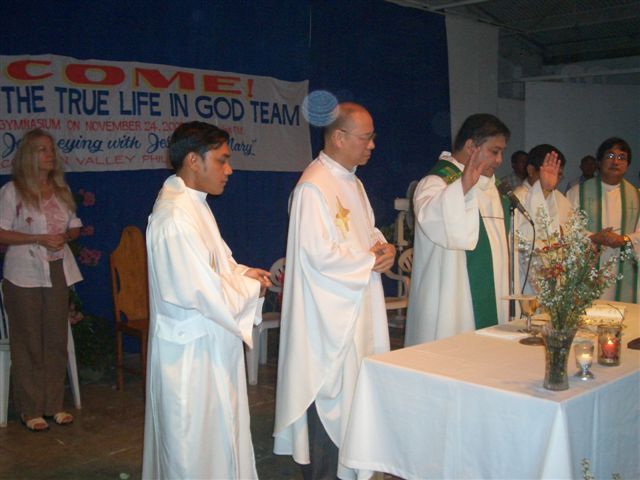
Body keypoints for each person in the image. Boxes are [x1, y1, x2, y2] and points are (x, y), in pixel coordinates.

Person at [142, 121, 271, 479]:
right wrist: (251, 290)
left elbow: (216, 264)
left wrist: (244, 273)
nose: (229, 170)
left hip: (209, 346)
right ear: (193, 162)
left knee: (219, 443)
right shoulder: (174, 218)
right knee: (193, 453)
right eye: (222, 160)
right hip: (190, 357)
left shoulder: (194, 204)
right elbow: (196, 291)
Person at [273, 102, 395, 480]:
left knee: (355, 398)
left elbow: (366, 232)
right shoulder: (313, 187)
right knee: (330, 403)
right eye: (366, 137)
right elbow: (317, 256)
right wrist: (367, 260)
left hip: (356, 310)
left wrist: (384, 247)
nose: (372, 144)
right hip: (329, 323)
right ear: (339, 137)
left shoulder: (352, 181)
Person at [404, 114, 515, 346]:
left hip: (492, 296)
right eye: (494, 151)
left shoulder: (491, 187)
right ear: (471, 147)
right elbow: (432, 219)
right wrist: (462, 188)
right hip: (451, 301)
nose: (500, 160)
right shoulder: (437, 182)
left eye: (502, 152)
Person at [0, 129, 82, 431]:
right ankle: (30, 408)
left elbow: (74, 226)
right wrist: (36, 238)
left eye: (51, 149)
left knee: (55, 339)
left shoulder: (61, 189)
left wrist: (66, 235)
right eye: (41, 150)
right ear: (28, 155)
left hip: (57, 269)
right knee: (29, 341)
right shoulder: (12, 192)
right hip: (23, 274)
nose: (49, 155)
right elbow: (2, 231)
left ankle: (53, 405)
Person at [566, 137, 639, 302]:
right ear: (599, 162)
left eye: (622, 158)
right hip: (590, 266)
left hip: (625, 270)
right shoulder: (577, 193)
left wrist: (625, 239)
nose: (616, 162)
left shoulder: (637, 196)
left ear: (627, 165)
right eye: (610, 156)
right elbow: (568, 229)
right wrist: (593, 237)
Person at [513, 144, 572, 294]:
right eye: (548, 172)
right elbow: (523, 242)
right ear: (531, 170)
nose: (554, 179)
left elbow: (571, 231)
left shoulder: (560, 199)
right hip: (527, 282)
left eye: (558, 174)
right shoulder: (517, 198)